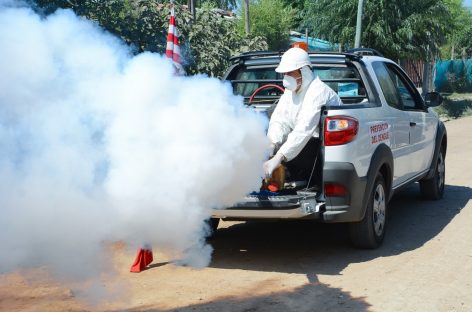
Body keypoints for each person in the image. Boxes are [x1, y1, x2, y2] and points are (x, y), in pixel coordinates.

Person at [263, 48, 343, 186]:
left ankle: (310, 184)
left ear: (304, 71)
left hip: (322, 151)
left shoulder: (317, 91)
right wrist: (272, 144)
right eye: (284, 73)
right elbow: (280, 120)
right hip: (302, 148)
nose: (286, 77)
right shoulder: (291, 92)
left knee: (297, 144)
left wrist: (278, 157)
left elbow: (303, 130)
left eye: (290, 73)